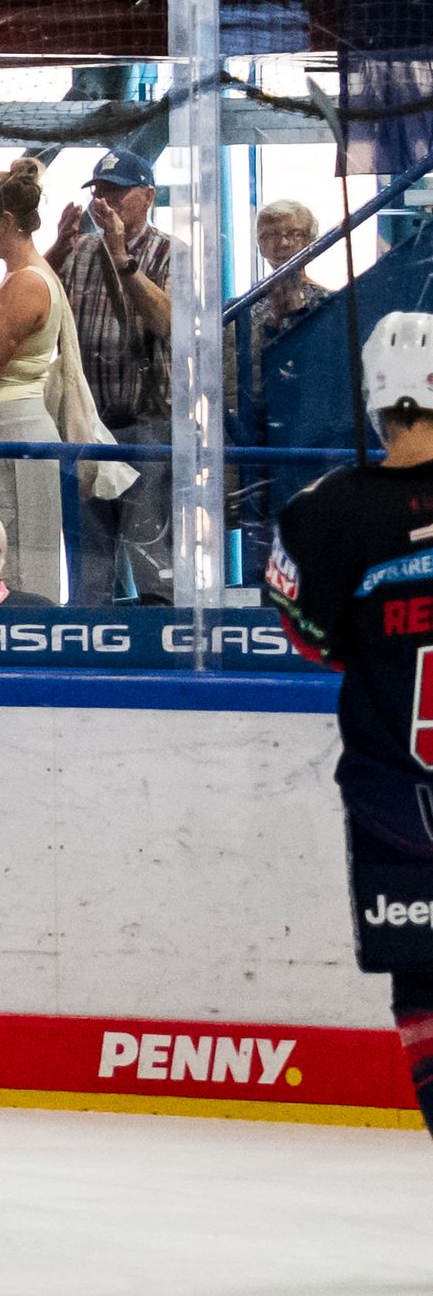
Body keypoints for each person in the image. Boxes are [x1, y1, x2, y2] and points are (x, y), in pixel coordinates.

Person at [262, 315, 433, 1135]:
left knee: (422, 984)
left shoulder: (326, 512)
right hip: (390, 792)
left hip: (395, 799)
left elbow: (313, 639)